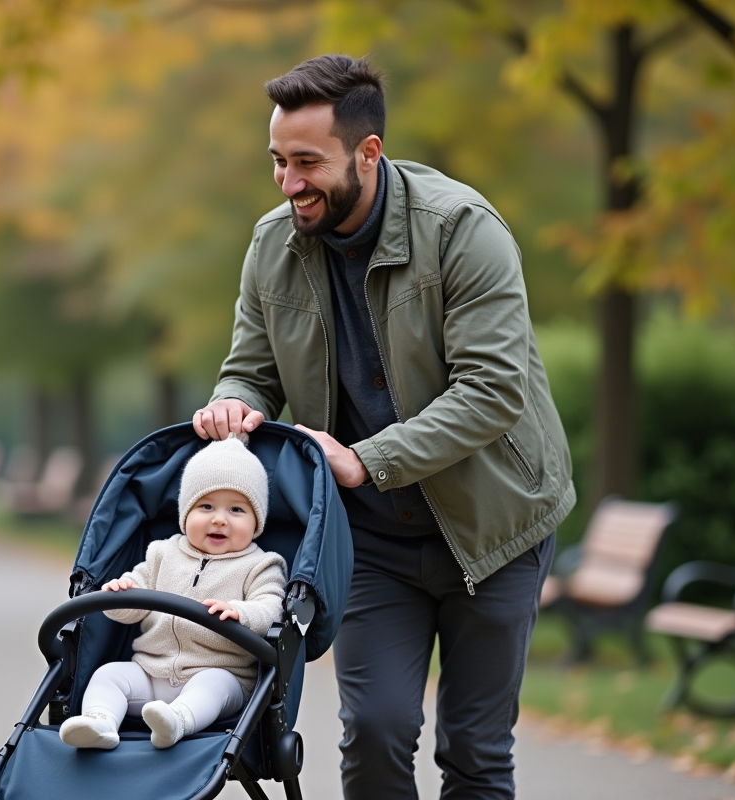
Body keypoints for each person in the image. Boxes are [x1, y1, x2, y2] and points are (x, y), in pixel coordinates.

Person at [192, 54, 576, 799]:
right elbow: (250, 369)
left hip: (496, 527)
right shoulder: (272, 244)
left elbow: (493, 390)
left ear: (368, 152)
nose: (289, 182)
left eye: (308, 162)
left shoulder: (462, 229)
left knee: (474, 751)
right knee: (373, 732)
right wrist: (233, 402)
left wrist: (366, 459)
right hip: (367, 539)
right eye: (278, 161)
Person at [58, 433, 286, 751]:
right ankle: (101, 722)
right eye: (206, 506)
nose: (219, 519)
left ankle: (178, 721)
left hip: (222, 674)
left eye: (236, 510)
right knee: (109, 675)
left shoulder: (261, 565)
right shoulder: (161, 553)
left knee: (213, 685)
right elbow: (129, 608)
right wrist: (121, 592)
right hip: (151, 672)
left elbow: (272, 608)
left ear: (256, 521)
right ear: (185, 512)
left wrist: (242, 613)